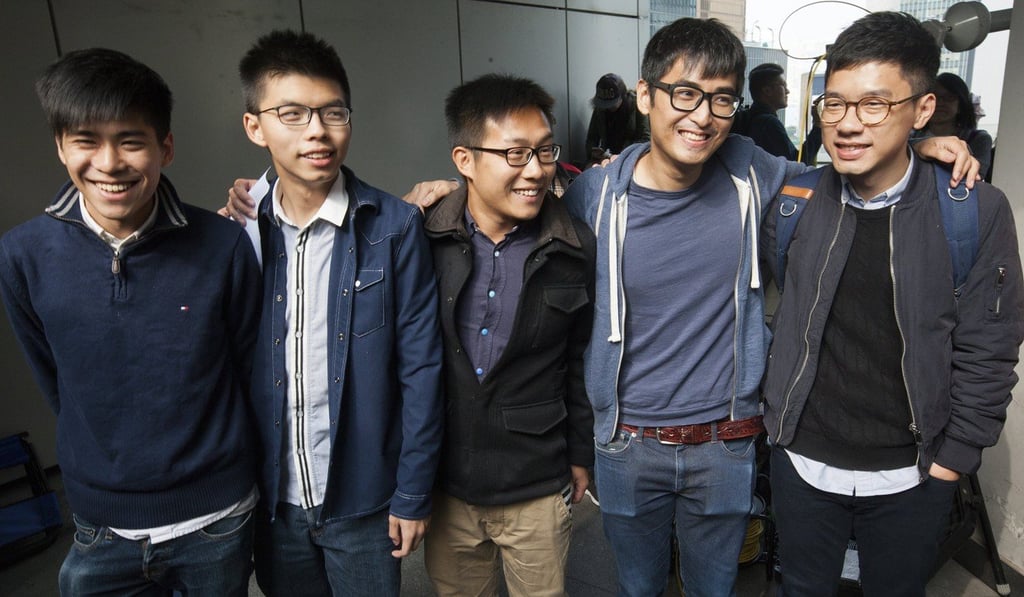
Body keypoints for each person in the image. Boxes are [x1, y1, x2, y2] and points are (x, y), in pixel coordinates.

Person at [760, 12, 1023, 597]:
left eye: (875, 105)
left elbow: (989, 347)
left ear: (923, 109)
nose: (848, 124)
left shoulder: (974, 212)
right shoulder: (796, 199)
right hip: (801, 461)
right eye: (834, 104)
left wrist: (952, 461)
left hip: (913, 472)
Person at [0, 48, 262, 596]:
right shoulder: (22, 255)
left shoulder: (222, 245)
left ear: (165, 147)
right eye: (85, 140)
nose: (109, 162)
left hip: (217, 518)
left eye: (130, 140)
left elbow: (248, 371)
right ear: (60, 147)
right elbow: (56, 379)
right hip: (101, 524)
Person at [236, 30, 443, 597]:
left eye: (333, 112)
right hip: (274, 501)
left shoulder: (394, 227)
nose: (317, 131)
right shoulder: (240, 233)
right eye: (292, 114)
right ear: (255, 126)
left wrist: (412, 492)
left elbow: (422, 369)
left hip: (363, 499)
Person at [420, 73, 596, 597]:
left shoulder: (574, 247)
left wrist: (580, 453)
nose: (537, 170)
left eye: (544, 151)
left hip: (536, 482)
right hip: (446, 481)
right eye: (516, 154)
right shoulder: (420, 236)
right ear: (465, 159)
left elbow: (580, 360)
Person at [921, 72, 994, 178]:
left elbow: (975, 177)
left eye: (949, 98)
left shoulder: (978, 139)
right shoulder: (909, 137)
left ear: (961, 105)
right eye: (934, 97)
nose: (940, 103)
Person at [585, 73, 650, 164]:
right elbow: (592, 138)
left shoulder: (636, 106)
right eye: (604, 104)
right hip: (607, 158)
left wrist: (623, 155)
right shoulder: (601, 108)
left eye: (611, 104)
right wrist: (593, 152)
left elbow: (646, 139)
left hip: (632, 159)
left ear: (622, 97)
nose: (608, 108)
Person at [745, 63, 797, 159]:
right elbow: (796, 163)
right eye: (783, 86)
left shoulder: (751, 119)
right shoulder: (769, 124)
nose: (787, 91)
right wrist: (817, 127)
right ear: (767, 91)